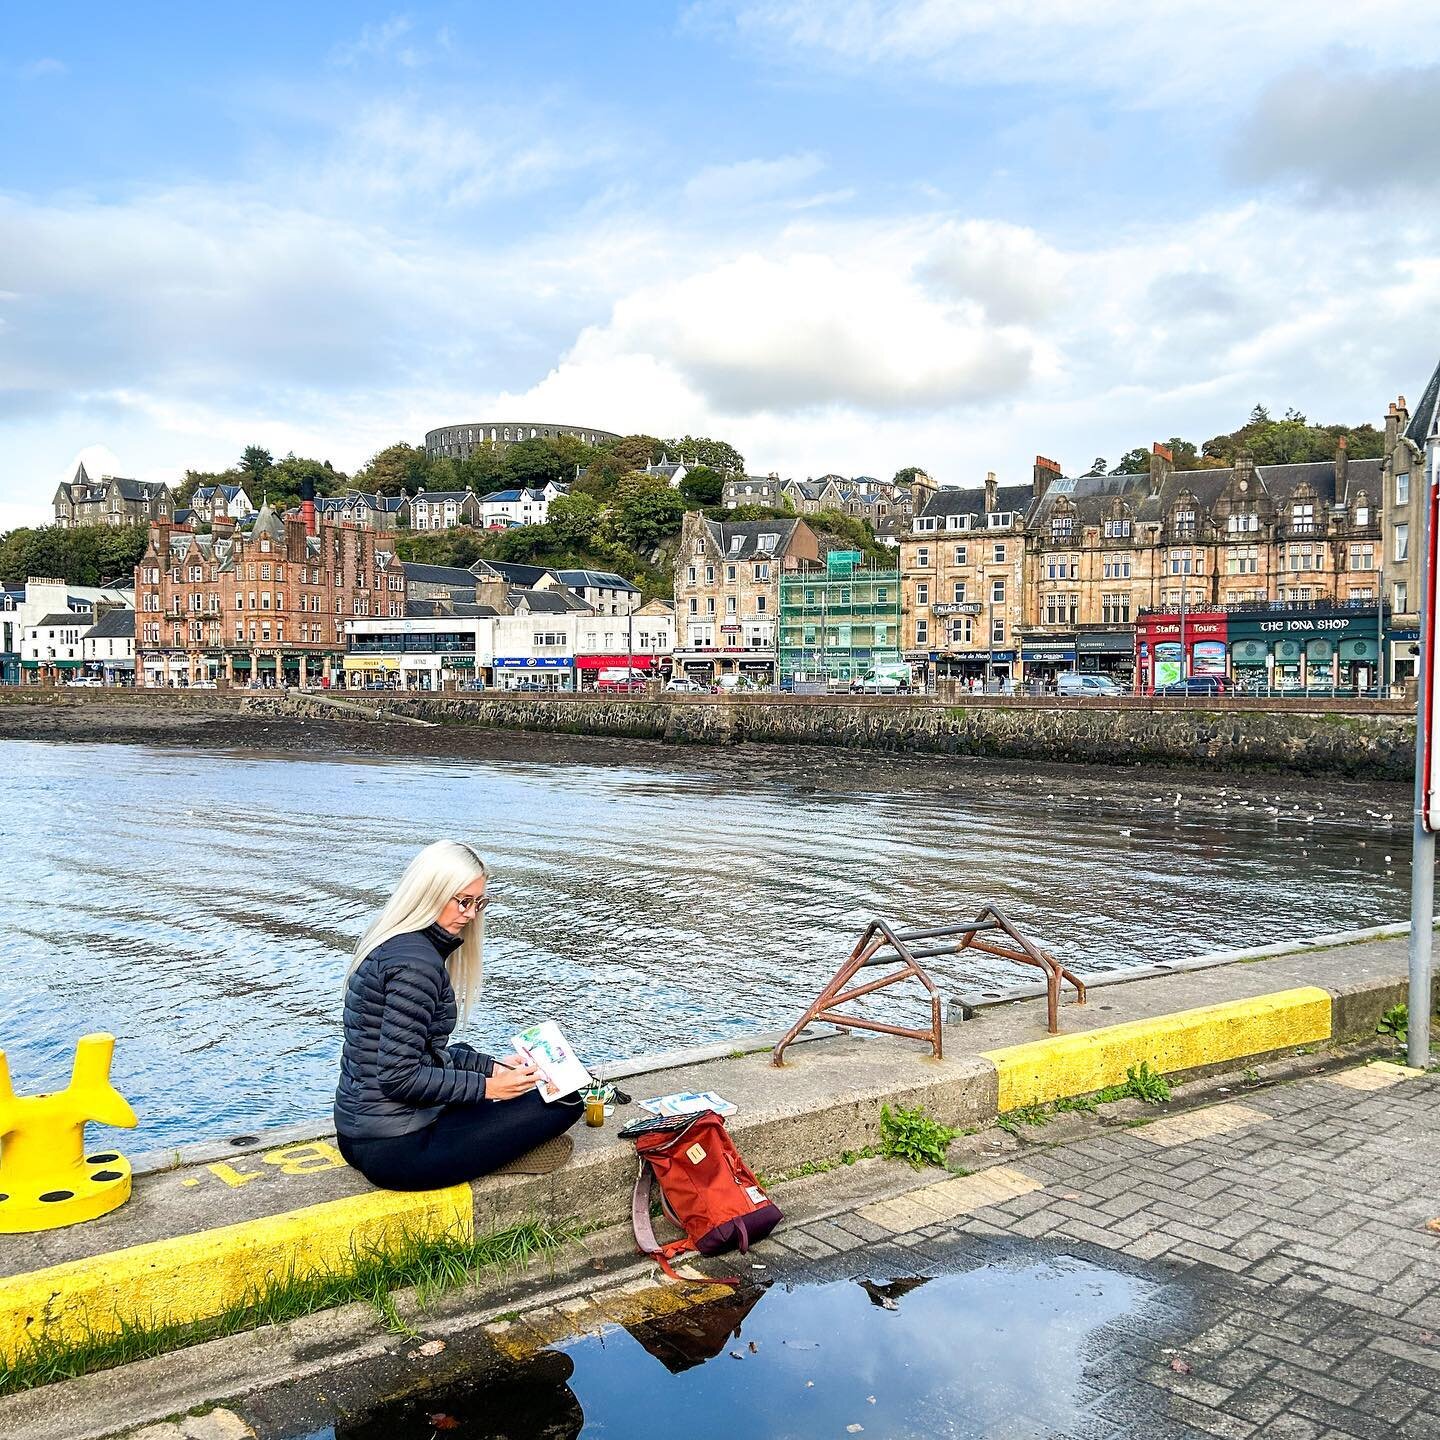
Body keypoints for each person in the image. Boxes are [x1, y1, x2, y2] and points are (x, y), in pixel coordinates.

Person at [334, 840, 581, 1191]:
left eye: (479, 903)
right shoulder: (417, 966)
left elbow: (419, 1053)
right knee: (567, 1102)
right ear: (430, 892)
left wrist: (493, 1067)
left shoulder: (393, 943)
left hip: (360, 1132)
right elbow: (399, 1078)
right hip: (397, 1151)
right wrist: (490, 1087)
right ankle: (496, 1155)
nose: (470, 914)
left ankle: (484, 1147)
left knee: (471, 1060)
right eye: (463, 901)